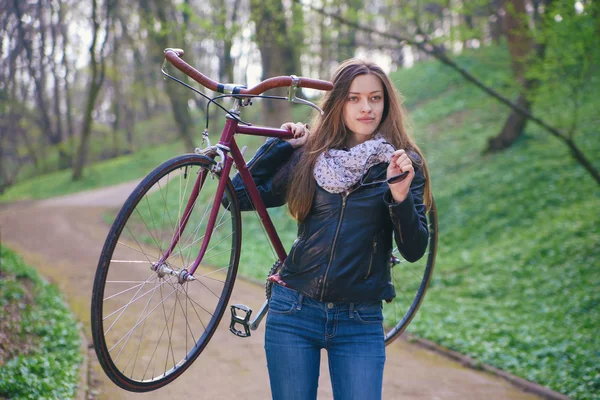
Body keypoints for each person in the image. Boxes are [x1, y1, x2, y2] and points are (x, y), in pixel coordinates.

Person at [230, 58, 432, 400]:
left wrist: (399, 197)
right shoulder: (312, 157)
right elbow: (236, 196)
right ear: (337, 102)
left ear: (387, 103)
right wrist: (281, 147)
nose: (366, 108)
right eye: (353, 98)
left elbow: (414, 250)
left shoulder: (403, 162)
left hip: (359, 320)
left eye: (375, 98)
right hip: (293, 310)